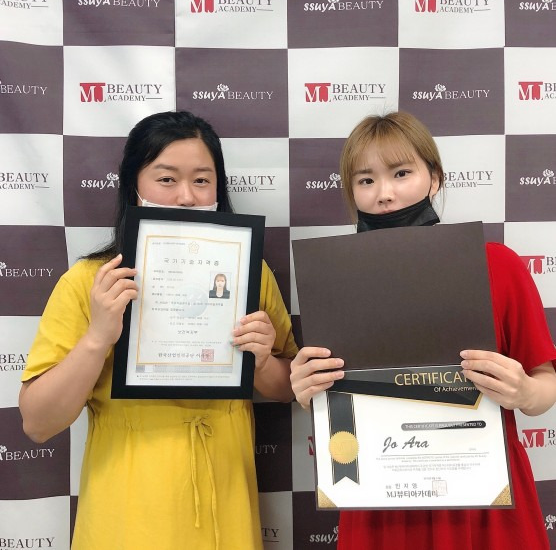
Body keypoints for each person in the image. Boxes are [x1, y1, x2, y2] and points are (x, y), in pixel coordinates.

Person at [19, 110, 298, 550]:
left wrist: (262, 361)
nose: (186, 196)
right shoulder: (89, 283)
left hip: (226, 506)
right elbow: (37, 423)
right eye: (166, 179)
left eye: (202, 180)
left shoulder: (249, 273)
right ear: (133, 184)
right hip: (125, 515)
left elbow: (287, 388)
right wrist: (97, 338)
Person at [290, 111, 556, 550]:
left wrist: (526, 391)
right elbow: (336, 395)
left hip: (484, 499)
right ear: (351, 192)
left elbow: (545, 382)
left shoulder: (498, 265)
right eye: (366, 180)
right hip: (379, 498)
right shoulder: (332, 280)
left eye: (401, 173)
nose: (385, 194)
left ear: (435, 178)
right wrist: (308, 390)